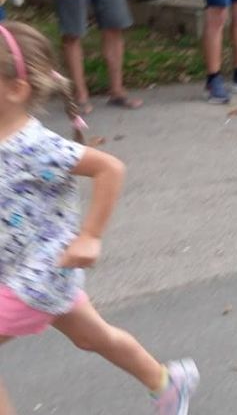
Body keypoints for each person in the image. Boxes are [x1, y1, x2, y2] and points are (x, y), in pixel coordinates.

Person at [0, 22, 198, 414]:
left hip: (41, 272)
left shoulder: (35, 145)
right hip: (20, 267)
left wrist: (90, 235)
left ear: (15, 90)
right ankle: (167, 382)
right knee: (93, 337)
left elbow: (110, 168)